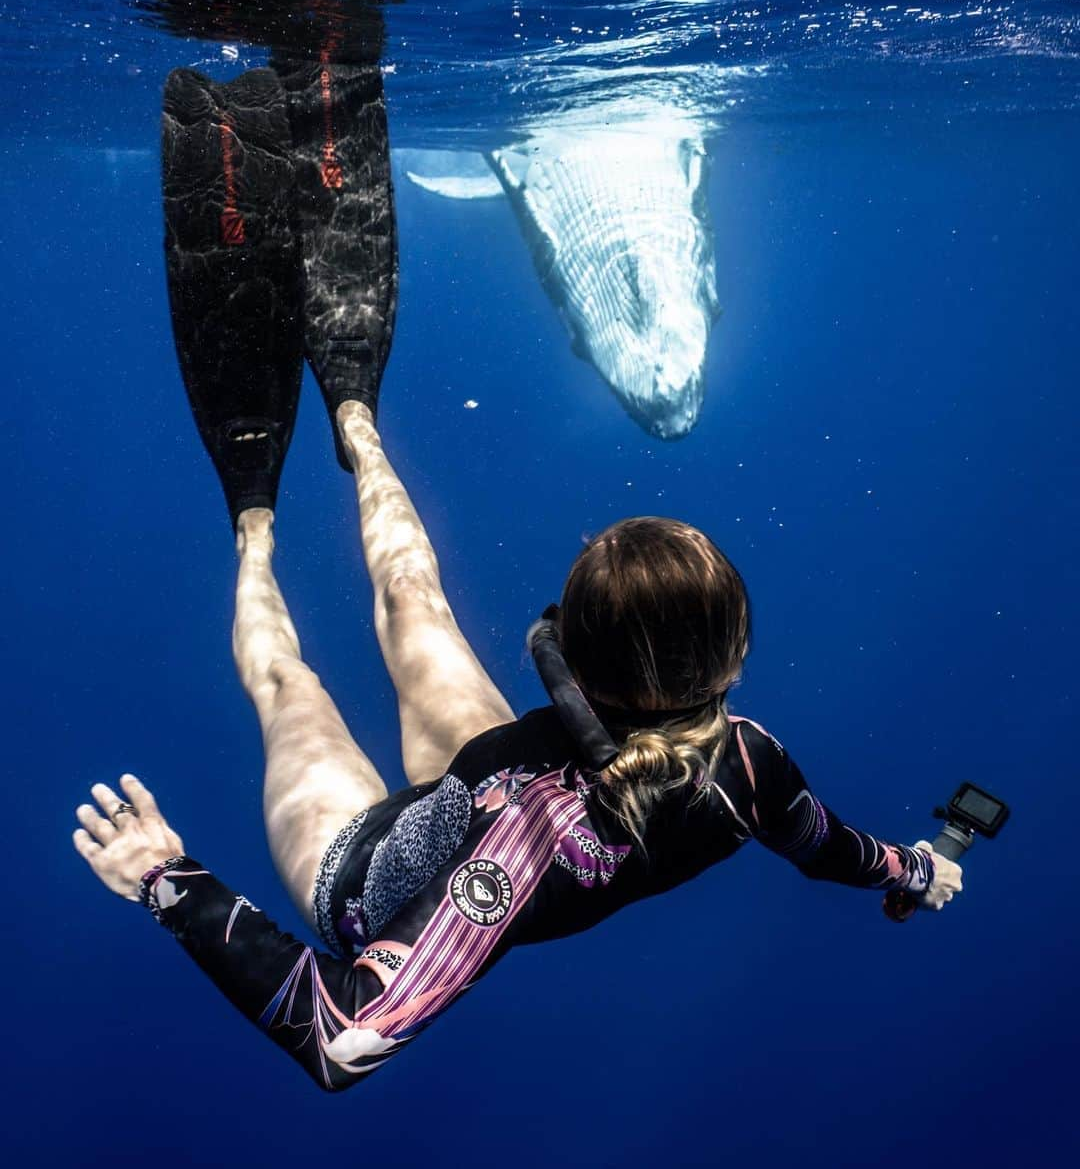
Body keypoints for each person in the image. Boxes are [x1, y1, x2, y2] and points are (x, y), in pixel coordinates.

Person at [73, 71, 961, 1094]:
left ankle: (296, 489)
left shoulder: (535, 842)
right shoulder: (751, 766)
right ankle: (273, 512)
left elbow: (343, 1035)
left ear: (569, 652)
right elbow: (830, 848)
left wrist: (166, 883)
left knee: (368, 634)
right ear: (737, 659)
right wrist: (919, 868)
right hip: (491, 785)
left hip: (373, 870)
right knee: (301, 672)